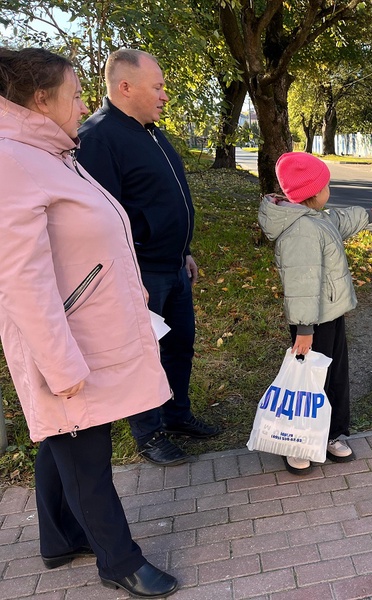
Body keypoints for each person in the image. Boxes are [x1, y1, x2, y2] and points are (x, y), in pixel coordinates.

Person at [0, 47, 178, 597]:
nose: (83, 106)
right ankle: (118, 560)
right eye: (75, 96)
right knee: (84, 448)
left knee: (65, 436)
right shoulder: (11, 160)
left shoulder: (48, 153)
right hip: (64, 340)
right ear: (40, 101)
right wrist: (58, 365)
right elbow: (21, 280)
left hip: (88, 326)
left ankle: (58, 539)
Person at [77, 49, 221, 467]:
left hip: (173, 267)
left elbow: (162, 198)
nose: (164, 96)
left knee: (179, 347)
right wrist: (127, 275)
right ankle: (150, 433)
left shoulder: (151, 131)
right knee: (144, 356)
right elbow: (99, 220)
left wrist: (185, 250)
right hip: (141, 275)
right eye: (157, 87)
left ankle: (177, 417)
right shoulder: (99, 138)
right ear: (125, 87)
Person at [258, 152, 372, 475]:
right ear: (313, 194)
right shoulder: (300, 231)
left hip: (329, 314)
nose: (329, 191)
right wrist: (305, 329)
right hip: (312, 322)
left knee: (332, 377)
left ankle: (331, 434)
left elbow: (339, 222)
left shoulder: (315, 219)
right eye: (326, 186)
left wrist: (370, 215)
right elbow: (302, 283)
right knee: (309, 383)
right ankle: (298, 442)